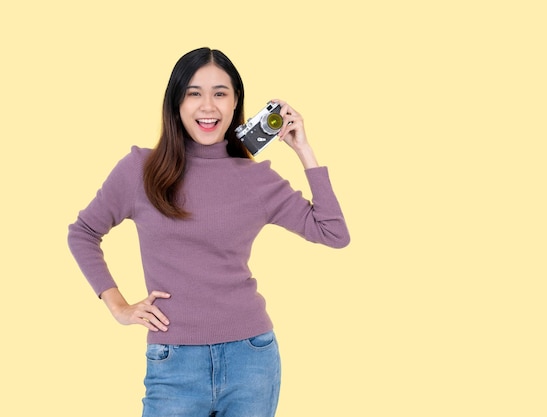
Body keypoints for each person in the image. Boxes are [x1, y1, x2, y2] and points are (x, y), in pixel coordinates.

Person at [67, 47, 350, 417]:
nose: (208, 106)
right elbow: (84, 231)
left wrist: (304, 151)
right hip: (174, 362)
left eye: (220, 93)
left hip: (252, 358)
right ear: (176, 103)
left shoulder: (256, 179)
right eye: (194, 93)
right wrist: (117, 306)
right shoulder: (141, 169)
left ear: (236, 104)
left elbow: (332, 232)